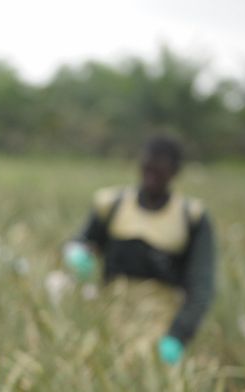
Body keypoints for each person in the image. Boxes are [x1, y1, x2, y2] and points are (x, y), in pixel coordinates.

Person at [63, 136, 217, 365]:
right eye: (147, 167)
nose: (151, 175)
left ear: (174, 172)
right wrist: (76, 253)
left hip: (160, 318)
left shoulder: (191, 217)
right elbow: (83, 240)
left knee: (143, 366)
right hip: (110, 310)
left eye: (159, 169)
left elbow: (201, 285)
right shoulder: (112, 204)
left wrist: (178, 335)